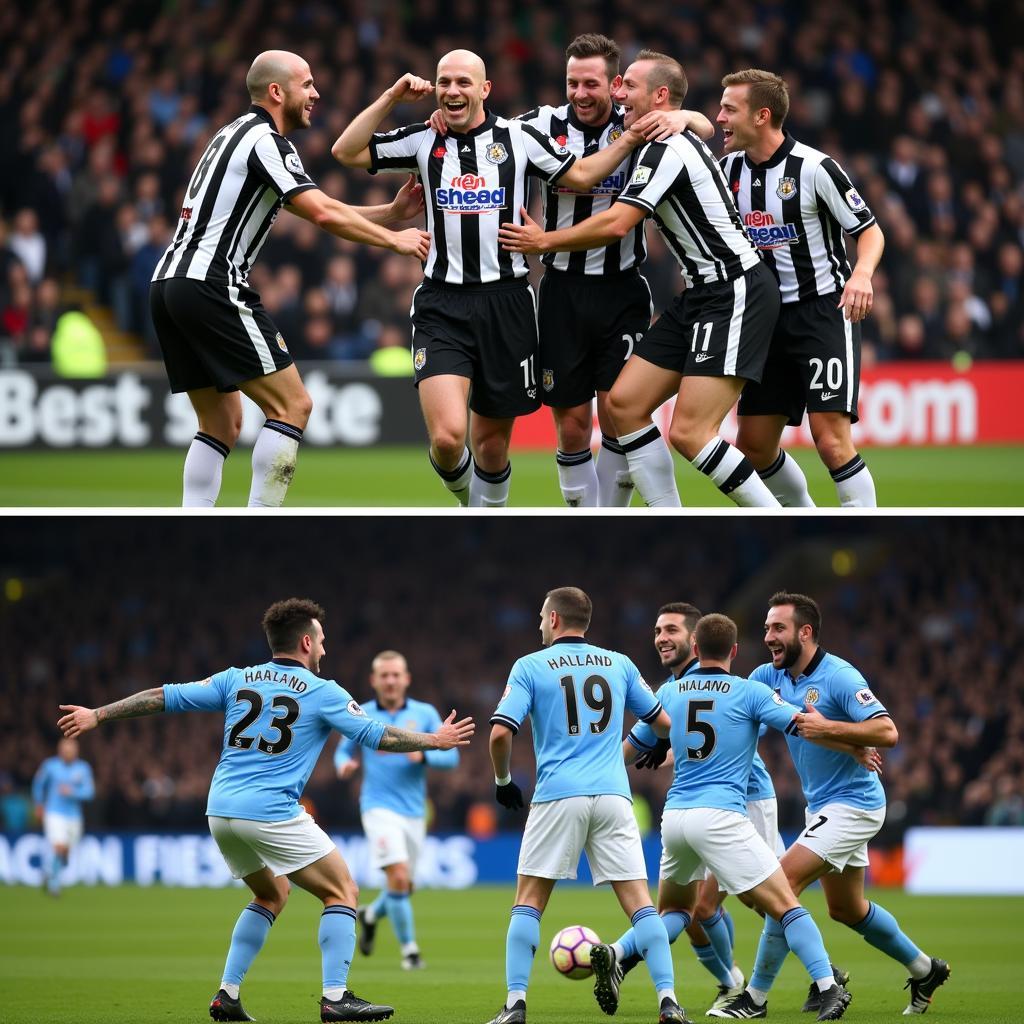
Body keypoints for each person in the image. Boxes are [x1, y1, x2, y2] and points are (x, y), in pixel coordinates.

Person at [57, 598, 474, 1024]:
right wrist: (433, 741)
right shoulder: (323, 691)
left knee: (272, 893)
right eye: (323, 642)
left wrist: (98, 714)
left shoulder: (236, 678)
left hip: (220, 810)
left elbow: (164, 696)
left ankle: (228, 995)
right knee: (342, 892)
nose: (326, 651)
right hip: (270, 811)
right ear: (307, 642)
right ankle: (335, 997)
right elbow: (375, 736)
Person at [333, 50, 648, 507]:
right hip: (442, 304)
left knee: (493, 447)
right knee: (447, 439)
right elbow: (345, 151)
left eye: (464, 82)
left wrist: (630, 137)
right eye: (444, 82)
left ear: (485, 90)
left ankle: (482, 510)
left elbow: (581, 174)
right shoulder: (424, 139)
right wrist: (392, 97)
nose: (452, 91)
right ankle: (467, 500)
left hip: (508, 304)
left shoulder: (519, 138)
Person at [431, 35, 713, 506]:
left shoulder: (639, 123)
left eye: (590, 84)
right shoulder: (540, 124)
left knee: (622, 413)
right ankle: (584, 511)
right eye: (571, 83)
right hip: (560, 292)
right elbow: (486, 133)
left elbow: (702, 126)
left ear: (616, 85)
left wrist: (685, 115)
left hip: (622, 290)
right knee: (573, 424)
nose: (580, 94)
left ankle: (610, 515)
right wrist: (448, 118)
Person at [499, 52, 782, 508]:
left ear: (659, 96)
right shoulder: (636, 134)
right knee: (624, 405)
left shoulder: (667, 145)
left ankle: (768, 511)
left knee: (689, 433)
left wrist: (542, 242)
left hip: (732, 288)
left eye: (625, 86)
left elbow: (616, 224)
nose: (616, 94)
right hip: (696, 293)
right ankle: (659, 509)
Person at [150, 50, 430, 508]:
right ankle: (263, 516)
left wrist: (390, 214)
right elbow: (322, 212)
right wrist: (395, 240)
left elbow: (310, 209)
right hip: (211, 283)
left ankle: (193, 514)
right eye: (307, 84)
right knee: (293, 406)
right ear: (277, 92)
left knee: (220, 425)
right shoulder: (267, 141)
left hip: (169, 285)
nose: (316, 94)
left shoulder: (229, 135)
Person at [604, 614, 853, 1022]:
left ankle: (623, 955)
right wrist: (854, 745)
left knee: (674, 912)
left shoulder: (669, 692)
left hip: (676, 819)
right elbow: (803, 725)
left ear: (695, 649)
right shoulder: (750, 692)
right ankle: (828, 987)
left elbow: (634, 745)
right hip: (722, 816)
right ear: (735, 651)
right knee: (785, 904)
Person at [712, 592, 949, 1018]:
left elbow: (887, 731)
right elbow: (768, 715)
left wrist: (837, 729)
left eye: (778, 628)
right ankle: (925, 969)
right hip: (820, 805)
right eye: (766, 628)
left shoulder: (840, 676)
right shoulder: (768, 675)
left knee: (780, 885)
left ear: (805, 632)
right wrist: (844, 740)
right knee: (846, 909)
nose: (768, 637)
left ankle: (757, 998)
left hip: (854, 803)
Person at [486, 587, 686, 1024]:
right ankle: (669, 1002)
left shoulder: (530, 666)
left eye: (542, 616)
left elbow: (501, 732)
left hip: (559, 794)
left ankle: (515, 1005)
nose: (540, 623)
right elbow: (664, 723)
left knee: (529, 902)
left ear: (554, 620)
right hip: (615, 795)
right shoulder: (620, 663)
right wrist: (660, 742)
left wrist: (503, 781)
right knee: (642, 905)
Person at [716, 70, 884, 507]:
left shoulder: (815, 168)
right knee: (753, 445)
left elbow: (869, 231)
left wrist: (862, 274)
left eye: (730, 109)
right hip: (764, 320)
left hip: (823, 310)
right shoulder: (725, 170)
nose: (720, 118)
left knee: (830, 440)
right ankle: (802, 509)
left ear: (762, 116)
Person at [334, 650, 459, 970]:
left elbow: (451, 758)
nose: (390, 680)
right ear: (374, 680)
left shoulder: (425, 713)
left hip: (415, 812)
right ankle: (410, 952)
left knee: (405, 886)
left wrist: (427, 756)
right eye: (384, 675)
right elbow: (342, 749)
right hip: (377, 807)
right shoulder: (361, 713)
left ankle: (372, 915)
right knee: (399, 877)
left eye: (395, 675)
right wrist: (344, 764)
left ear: (406, 679)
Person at [31, 737, 95, 896]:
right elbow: (38, 784)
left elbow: (90, 792)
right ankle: (54, 885)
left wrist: (73, 792)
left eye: (71, 751)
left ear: (76, 752)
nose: (68, 753)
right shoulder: (50, 766)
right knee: (58, 846)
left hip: (74, 816)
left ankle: (48, 870)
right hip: (54, 813)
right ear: (60, 751)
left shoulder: (83, 768)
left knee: (65, 851)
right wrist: (39, 804)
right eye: (66, 751)